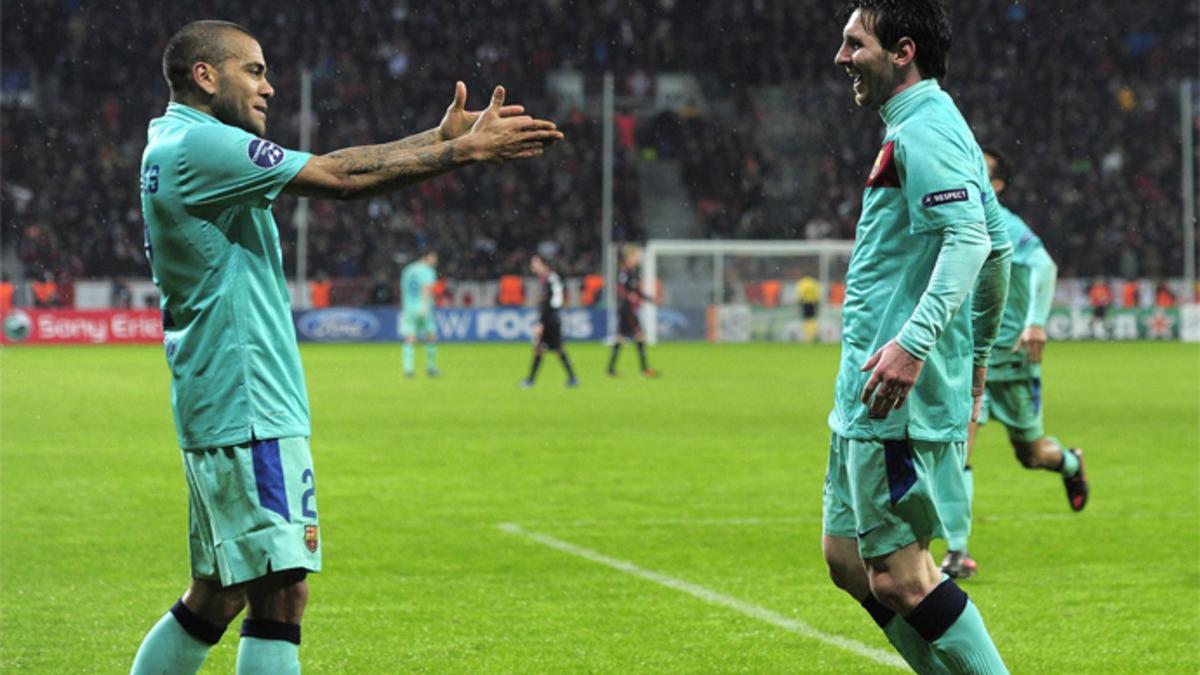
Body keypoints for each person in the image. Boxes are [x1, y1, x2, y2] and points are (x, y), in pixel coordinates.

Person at [132, 20, 562, 675]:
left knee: (217, 594)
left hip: (219, 398)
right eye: (254, 70)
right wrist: (462, 154)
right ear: (205, 75)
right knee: (282, 593)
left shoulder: (173, 143)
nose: (269, 87)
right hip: (249, 407)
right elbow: (338, 177)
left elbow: (335, 165)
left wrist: (436, 137)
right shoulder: (202, 145)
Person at [822, 3, 1012, 673]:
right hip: (865, 389)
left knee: (903, 577)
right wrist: (980, 361)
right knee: (847, 559)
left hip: (891, 395)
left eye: (855, 43)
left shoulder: (926, 131)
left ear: (902, 51)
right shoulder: (926, 124)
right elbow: (1000, 250)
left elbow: (972, 241)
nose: (841, 56)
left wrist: (914, 344)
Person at [940, 148, 1088, 581]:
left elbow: (1045, 264)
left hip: (1014, 363)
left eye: (982, 171)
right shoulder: (956, 220)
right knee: (959, 452)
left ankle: (1071, 463)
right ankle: (956, 551)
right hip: (971, 364)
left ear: (998, 186)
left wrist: (1036, 323)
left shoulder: (1008, 225)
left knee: (1032, 454)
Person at [520, 254, 579, 388]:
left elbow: (550, 303)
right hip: (553, 317)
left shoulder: (549, 280)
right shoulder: (551, 279)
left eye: (535, 263)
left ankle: (531, 381)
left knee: (554, 349)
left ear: (543, 265)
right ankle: (531, 380)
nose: (532, 267)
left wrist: (541, 323)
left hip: (550, 319)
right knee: (545, 349)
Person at [606, 245, 656, 377]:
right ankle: (645, 369)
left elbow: (636, 291)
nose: (638, 258)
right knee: (639, 336)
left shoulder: (635, 271)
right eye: (636, 256)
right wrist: (629, 297)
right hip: (626, 309)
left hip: (630, 308)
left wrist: (647, 298)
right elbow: (621, 289)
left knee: (621, 338)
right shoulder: (624, 271)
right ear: (630, 257)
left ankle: (611, 369)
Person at [400, 251, 439, 377]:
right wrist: (424, 306)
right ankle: (431, 368)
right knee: (431, 336)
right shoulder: (427, 271)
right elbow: (426, 288)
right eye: (433, 257)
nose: (435, 260)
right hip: (423, 306)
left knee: (410, 337)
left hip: (409, 307)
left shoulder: (408, 270)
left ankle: (408, 369)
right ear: (426, 257)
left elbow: (403, 289)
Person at [795, 274, 822, 343]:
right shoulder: (813, 283)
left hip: (805, 303)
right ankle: (813, 335)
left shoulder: (802, 283)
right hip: (813, 303)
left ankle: (808, 337)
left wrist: (798, 301)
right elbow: (818, 293)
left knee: (806, 320)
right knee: (812, 320)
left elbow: (800, 293)